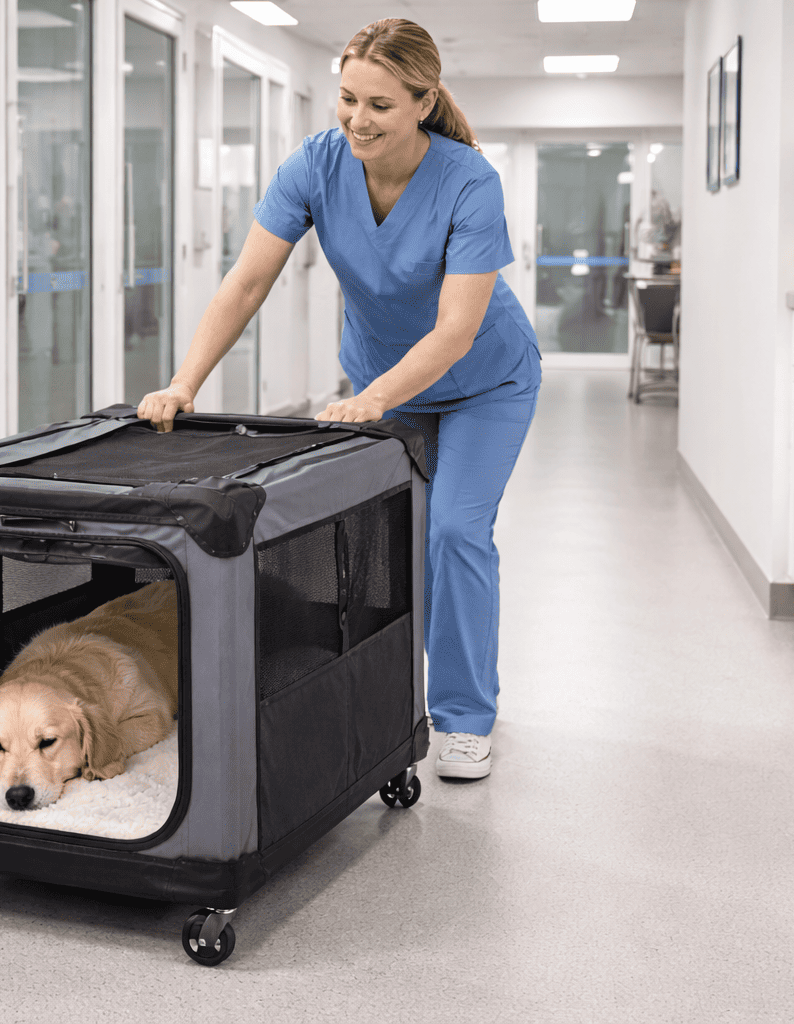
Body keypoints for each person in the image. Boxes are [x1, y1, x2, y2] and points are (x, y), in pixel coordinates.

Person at [138, 18, 539, 781]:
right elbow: (246, 282)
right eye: (348, 98)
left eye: (380, 105)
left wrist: (373, 398)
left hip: (486, 382)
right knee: (386, 538)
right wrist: (185, 380)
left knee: (455, 531)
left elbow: (457, 330)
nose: (358, 119)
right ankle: (383, 694)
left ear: (423, 103)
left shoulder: (469, 181)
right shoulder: (315, 165)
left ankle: (463, 717)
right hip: (386, 381)